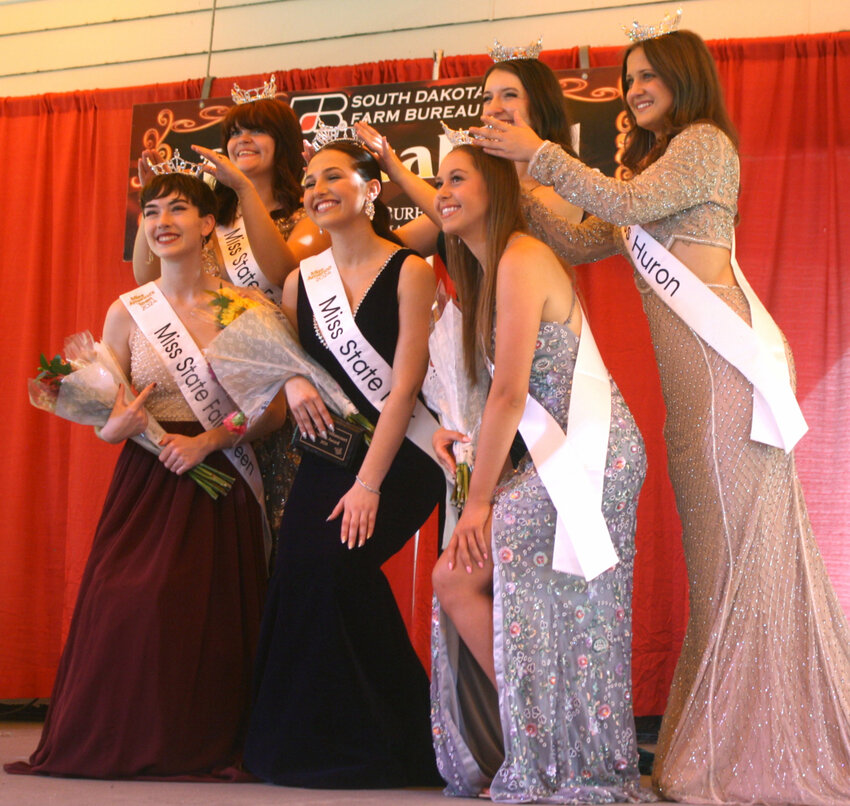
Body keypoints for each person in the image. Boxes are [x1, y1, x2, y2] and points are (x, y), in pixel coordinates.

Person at [473, 22, 850, 806]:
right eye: (629, 77)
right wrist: (510, 188)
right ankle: (737, 733)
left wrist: (536, 152)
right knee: (722, 571)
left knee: (743, 560)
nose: (635, 88)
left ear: (685, 77)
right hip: (693, 403)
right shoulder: (657, 162)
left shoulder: (704, 145)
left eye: (648, 75)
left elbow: (624, 203)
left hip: (725, 388)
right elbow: (582, 241)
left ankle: (758, 744)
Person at [5, 171, 287, 779]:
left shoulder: (242, 306)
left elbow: (273, 409)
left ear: (207, 223)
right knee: (124, 601)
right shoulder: (128, 310)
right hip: (147, 475)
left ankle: (196, 742)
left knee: (202, 615)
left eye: (178, 209)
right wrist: (115, 427)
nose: (161, 222)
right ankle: (123, 739)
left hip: (218, 475)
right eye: (151, 211)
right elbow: (109, 409)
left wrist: (211, 440)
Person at [428, 142, 650, 803]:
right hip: (560, 456)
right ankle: (548, 736)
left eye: (457, 179)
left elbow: (509, 396)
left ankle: (560, 746)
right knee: (457, 577)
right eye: (437, 180)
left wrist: (478, 504)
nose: (441, 190)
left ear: (495, 188)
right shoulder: (492, 267)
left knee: (481, 572)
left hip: (593, 451)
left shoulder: (521, 257)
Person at [242, 132, 444, 788]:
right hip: (329, 451)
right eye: (310, 184)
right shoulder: (304, 281)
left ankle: (392, 738)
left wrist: (368, 485)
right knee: (302, 570)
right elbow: (292, 356)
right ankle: (324, 742)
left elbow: (406, 386)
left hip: (402, 457)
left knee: (335, 565)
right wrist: (294, 380)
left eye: (334, 177)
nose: (318, 190)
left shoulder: (410, 269)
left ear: (371, 190)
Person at [134, 86, 329, 534]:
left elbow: (282, 271)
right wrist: (149, 200)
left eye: (257, 130)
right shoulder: (209, 221)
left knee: (276, 528)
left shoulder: (305, 215)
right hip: (207, 394)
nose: (242, 139)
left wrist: (242, 188)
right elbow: (147, 282)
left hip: (276, 395)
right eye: (234, 132)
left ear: (282, 140)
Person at [354, 44, 583, 258]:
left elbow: (490, 233)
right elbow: (392, 248)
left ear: (542, 104)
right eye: (487, 98)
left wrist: (399, 172)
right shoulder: (480, 184)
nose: (493, 109)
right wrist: (344, 202)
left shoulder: (568, 182)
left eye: (509, 95)